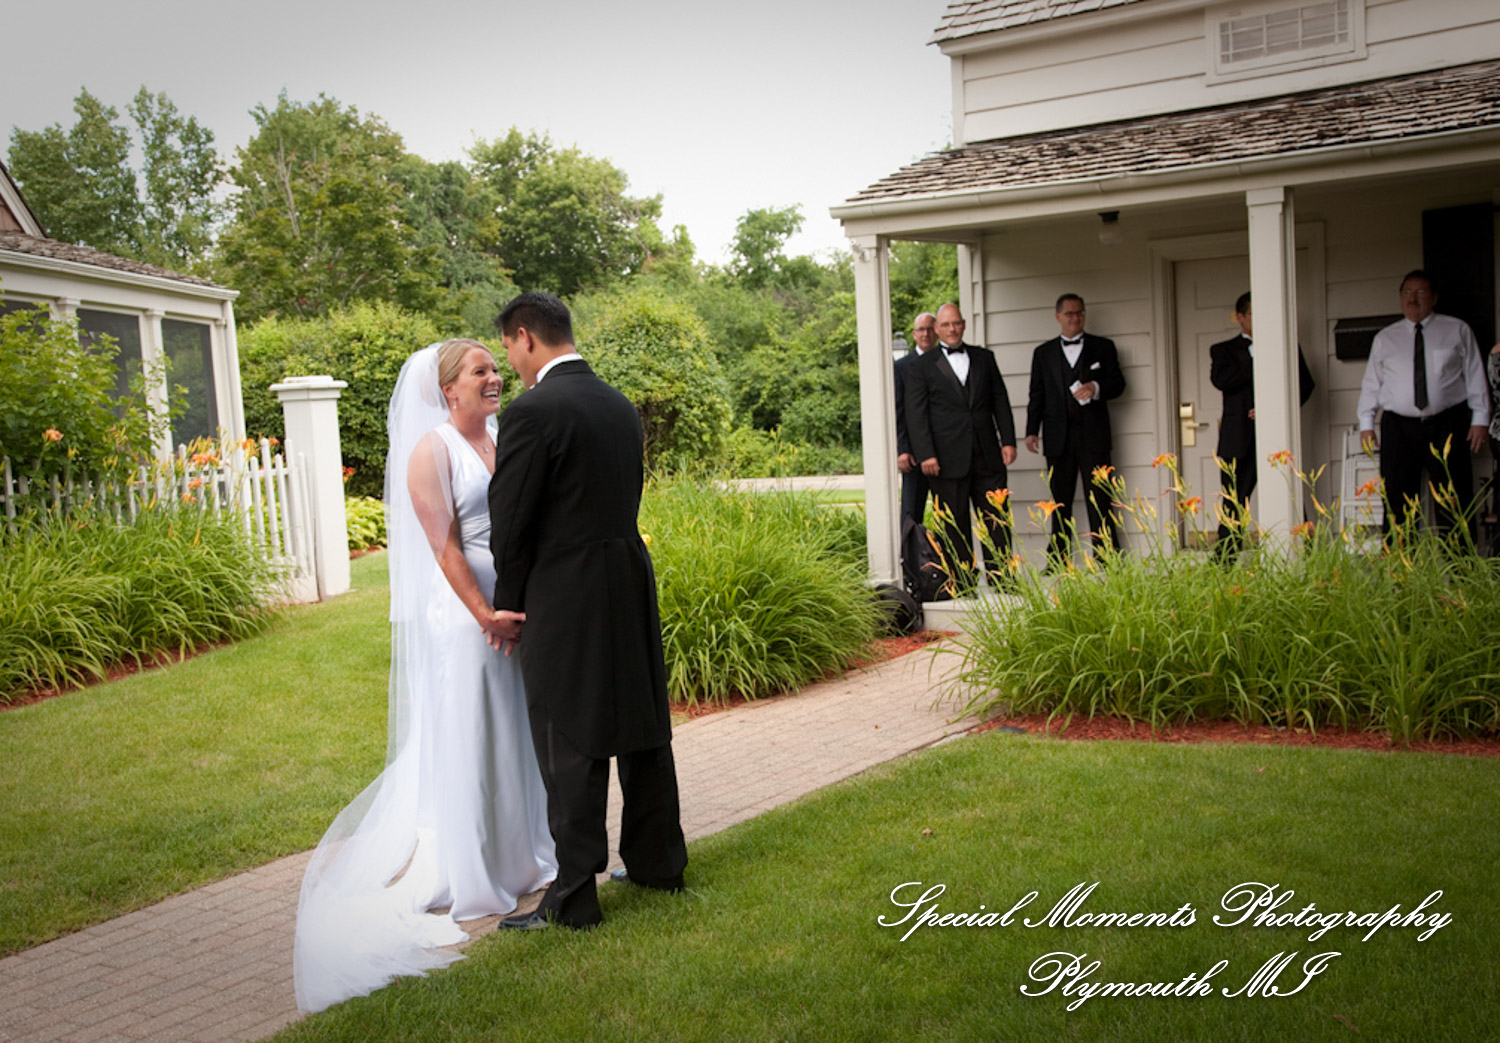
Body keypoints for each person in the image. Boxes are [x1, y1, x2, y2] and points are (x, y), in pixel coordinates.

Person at [293, 339, 556, 1013]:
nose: (494, 377)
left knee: (516, 733)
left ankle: (527, 854)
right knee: (474, 734)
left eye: (495, 368)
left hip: (513, 607)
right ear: (448, 390)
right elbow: (442, 545)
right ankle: (477, 873)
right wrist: (484, 614)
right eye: (480, 371)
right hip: (467, 615)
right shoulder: (431, 452)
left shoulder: (500, 436)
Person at [489, 292, 687, 931]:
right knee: (641, 720)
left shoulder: (532, 411)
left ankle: (573, 897)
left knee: (568, 732)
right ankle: (659, 862)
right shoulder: (617, 403)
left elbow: (511, 523)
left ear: (525, 337)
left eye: (508, 349)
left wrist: (507, 602)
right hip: (627, 576)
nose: (510, 363)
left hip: (564, 589)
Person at [1357, 270, 1489, 535]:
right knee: (1398, 498)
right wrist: (1366, 424)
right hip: (1399, 427)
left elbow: (1475, 375)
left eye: (1420, 293)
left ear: (1434, 298)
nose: (1412, 299)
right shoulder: (1385, 338)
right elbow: (1371, 385)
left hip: (1447, 423)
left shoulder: (1457, 330)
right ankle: (1400, 560)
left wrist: (1480, 419)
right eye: (1407, 293)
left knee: (1454, 497)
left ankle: (1460, 560)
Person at [904, 302, 1018, 580]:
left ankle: (1003, 577)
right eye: (946, 324)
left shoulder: (984, 358)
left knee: (996, 517)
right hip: (945, 459)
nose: (952, 329)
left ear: (964, 324)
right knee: (954, 523)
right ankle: (962, 580)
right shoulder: (921, 366)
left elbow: (1000, 401)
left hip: (987, 453)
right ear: (936, 329)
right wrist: (926, 454)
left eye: (956, 323)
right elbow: (916, 414)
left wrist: (1008, 440)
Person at [1210, 291, 1316, 557]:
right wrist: (1259, 357)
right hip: (1238, 438)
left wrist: (1275, 409)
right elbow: (1222, 380)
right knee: (1234, 503)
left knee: (1290, 496)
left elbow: (1305, 385)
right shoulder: (1223, 350)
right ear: (1240, 317)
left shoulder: (1286, 345)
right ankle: (1224, 563)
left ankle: (1307, 556)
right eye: (1254, 313)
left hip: (1276, 436)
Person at [1024, 293, 1126, 561]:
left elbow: (1118, 384)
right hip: (1057, 437)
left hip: (1094, 436)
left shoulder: (1103, 347)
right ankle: (1058, 559)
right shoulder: (1043, 353)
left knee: (1100, 499)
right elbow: (1037, 394)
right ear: (1058, 317)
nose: (1075, 318)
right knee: (1059, 501)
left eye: (1080, 312)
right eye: (1069, 313)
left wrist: (1096, 387)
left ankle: (1108, 558)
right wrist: (1032, 430)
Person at [895, 312, 938, 523]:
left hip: (944, 450)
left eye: (930, 329)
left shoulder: (945, 362)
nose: (926, 334)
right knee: (911, 512)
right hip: (912, 453)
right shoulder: (901, 367)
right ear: (914, 334)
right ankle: (910, 546)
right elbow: (899, 410)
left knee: (947, 511)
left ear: (936, 331)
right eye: (921, 329)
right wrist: (903, 449)